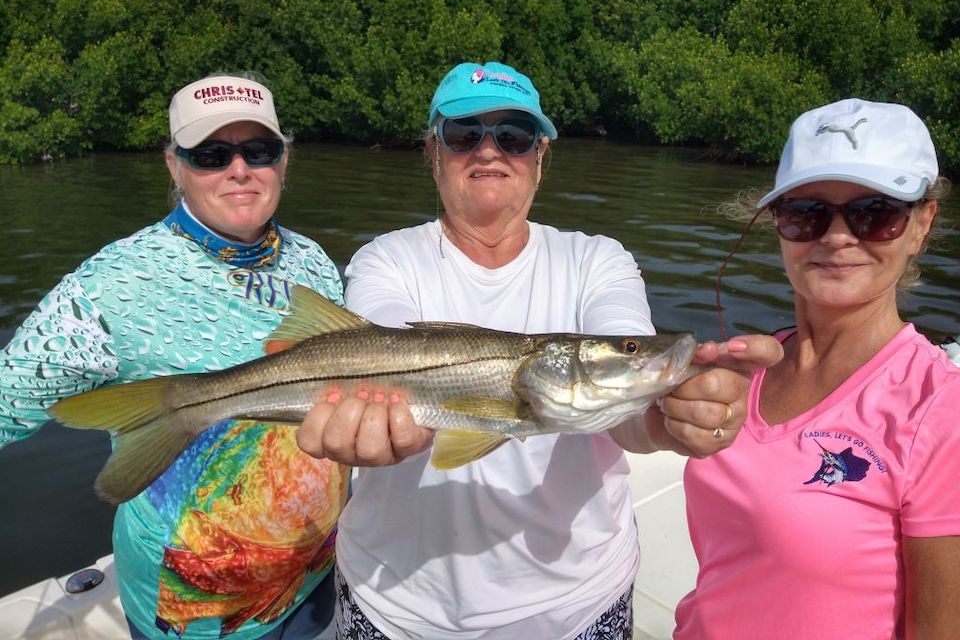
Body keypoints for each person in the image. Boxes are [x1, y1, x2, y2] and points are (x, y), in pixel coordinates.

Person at [295, 61, 782, 640]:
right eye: (463, 135)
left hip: (576, 605)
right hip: (396, 607)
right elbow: (386, 349)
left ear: (540, 157)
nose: (489, 151)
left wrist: (670, 421)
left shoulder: (598, 260)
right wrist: (373, 419)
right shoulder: (386, 259)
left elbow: (625, 410)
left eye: (514, 136)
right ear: (432, 154)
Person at [0, 74, 348, 640]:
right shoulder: (109, 287)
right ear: (174, 166)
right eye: (211, 154)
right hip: (193, 616)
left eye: (258, 150)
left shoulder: (313, 261)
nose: (240, 169)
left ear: (283, 161)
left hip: (312, 580)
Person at [674, 99, 960, 638]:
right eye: (806, 212)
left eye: (875, 214)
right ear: (778, 223)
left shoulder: (939, 409)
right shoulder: (745, 370)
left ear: (922, 224)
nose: (835, 236)